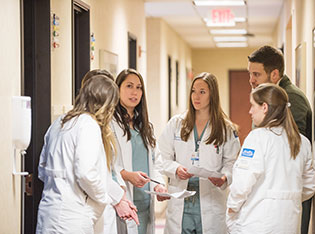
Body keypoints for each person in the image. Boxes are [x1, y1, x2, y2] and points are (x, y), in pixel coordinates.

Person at [36, 73, 138, 234]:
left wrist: (119, 198)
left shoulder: (61, 121)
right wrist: (104, 199)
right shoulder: (88, 124)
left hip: (49, 212)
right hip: (72, 218)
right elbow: (86, 174)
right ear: (104, 105)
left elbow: (42, 169)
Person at [226, 83, 315, 234]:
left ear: (265, 107)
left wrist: (231, 207)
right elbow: (308, 187)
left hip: (257, 223)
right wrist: (285, 201)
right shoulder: (302, 142)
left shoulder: (257, 137)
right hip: (289, 222)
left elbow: (242, 184)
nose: (250, 111)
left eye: (253, 105)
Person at [158, 72, 241, 234]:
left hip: (211, 200)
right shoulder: (176, 123)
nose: (196, 96)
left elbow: (231, 162)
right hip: (181, 201)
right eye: (193, 91)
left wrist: (224, 177)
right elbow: (162, 156)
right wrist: (175, 169)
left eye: (202, 92)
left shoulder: (226, 129)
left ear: (213, 95)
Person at [247, 45, 313, 234]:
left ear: (274, 74)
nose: (251, 80)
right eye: (249, 74)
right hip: (271, 196)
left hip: (285, 197)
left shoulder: (290, 98)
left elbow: (292, 148)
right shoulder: (269, 96)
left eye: (256, 74)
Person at [111, 68, 169, 234]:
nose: (134, 92)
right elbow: (107, 165)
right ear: (118, 89)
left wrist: (158, 186)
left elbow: (155, 161)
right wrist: (128, 175)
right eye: (129, 86)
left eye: (139, 87)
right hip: (123, 201)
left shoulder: (144, 126)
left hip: (145, 201)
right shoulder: (110, 125)